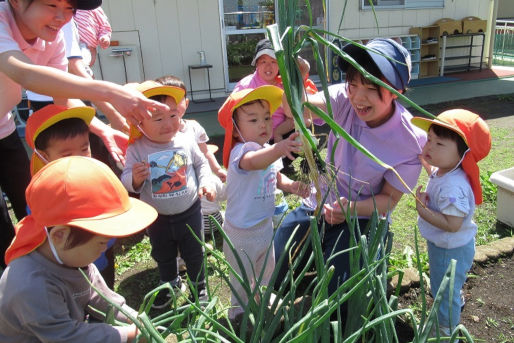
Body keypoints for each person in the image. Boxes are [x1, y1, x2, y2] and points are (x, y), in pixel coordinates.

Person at [0, 0, 168, 253]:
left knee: (28, 205)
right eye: (51, 4)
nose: (62, 17)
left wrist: (100, 127)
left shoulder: (51, 38)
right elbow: (25, 74)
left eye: (70, 9)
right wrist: (111, 93)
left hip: (4, 127)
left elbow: (61, 95)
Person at [273, 38, 427, 305]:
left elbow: (389, 199)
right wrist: (293, 79)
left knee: (342, 296)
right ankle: (317, 257)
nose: (358, 97)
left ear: (397, 91)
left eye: (372, 87)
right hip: (319, 201)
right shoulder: (343, 100)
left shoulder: (411, 140)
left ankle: (353, 264)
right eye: (354, 84)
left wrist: (352, 209)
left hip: (363, 217)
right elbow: (294, 109)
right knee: (273, 270)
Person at [0, 156, 158, 343]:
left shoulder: (70, 255)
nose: (106, 248)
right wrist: (128, 335)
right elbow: (67, 337)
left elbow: (103, 299)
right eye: (101, 243)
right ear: (60, 236)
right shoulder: (31, 285)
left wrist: (139, 322)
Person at [217, 85, 310, 319]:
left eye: (267, 118)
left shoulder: (266, 149)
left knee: (265, 267)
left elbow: (275, 175)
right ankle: (237, 312)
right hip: (241, 231)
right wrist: (279, 148)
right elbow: (254, 163)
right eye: (253, 120)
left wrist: (289, 185)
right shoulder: (242, 152)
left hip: (264, 225)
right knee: (241, 273)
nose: (263, 125)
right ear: (236, 129)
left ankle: (261, 294)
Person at [121, 80, 215, 309]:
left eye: (173, 115)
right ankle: (170, 283)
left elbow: (201, 164)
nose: (168, 123)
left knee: (194, 252)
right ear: (140, 121)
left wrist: (206, 183)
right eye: (158, 118)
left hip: (190, 210)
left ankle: (199, 286)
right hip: (157, 216)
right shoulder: (137, 148)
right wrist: (135, 178)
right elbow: (126, 182)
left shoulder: (185, 140)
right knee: (162, 252)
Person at [412, 109, 491, 337]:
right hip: (448, 245)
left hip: (450, 248)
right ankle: (454, 295)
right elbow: (435, 173)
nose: (428, 148)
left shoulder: (453, 187)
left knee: (444, 290)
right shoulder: (446, 170)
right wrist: (426, 163)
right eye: (429, 140)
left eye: (439, 144)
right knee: (446, 283)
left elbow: (452, 223)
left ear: (463, 154)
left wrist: (422, 209)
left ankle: (446, 330)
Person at [24, 104, 117, 288]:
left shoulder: (96, 175)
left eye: (84, 149)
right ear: (44, 156)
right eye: (66, 154)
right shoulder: (42, 192)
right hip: (68, 269)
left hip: (101, 257)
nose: (79, 158)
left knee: (105, 292)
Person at [154, 75, 227, 237]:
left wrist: (217, 169)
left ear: (186, 103)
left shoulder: (193, 127)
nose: (170, 106)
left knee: (205, 200)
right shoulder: (156, 132)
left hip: (198, 176)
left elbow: (205, 152)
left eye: (176, 100)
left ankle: (203, 231)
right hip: (176, 181)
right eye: (164, 101)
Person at [233, 38, 317, 145]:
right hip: (254, 141)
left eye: (273, 61)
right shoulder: (246, 86)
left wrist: (278, 133)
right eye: (263, 61)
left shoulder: (285, 84)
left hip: (282, 137)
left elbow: (304, 119)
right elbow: (233, 118)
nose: (268, 66)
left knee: (305, 135)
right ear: (257, 64)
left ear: (280, 65)